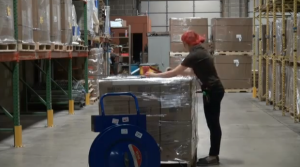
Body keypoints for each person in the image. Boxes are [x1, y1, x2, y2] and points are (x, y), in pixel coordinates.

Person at [145, 30, 224, 166]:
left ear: (186, 43)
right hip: (213, 90)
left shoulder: (194, 55)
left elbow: (174, 73)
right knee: (213, 123)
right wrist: (173, 72)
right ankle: (214, 155)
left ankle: (213, 156)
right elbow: (192, 71)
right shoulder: (201, 52)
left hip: (212, 91)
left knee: (213, 124)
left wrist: (153, 75)